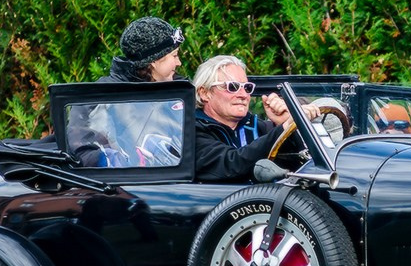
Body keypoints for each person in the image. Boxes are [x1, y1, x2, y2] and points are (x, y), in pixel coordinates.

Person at [69, 16, 184, 166]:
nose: (179, 62)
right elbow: (82, 149)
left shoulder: (179, 91)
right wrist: (109, 160)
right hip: (122, 180)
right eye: (174, 56)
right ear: (154, 61)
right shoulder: (98, 98)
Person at [193, 55, 319, 183]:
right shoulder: (192, 132)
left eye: (247, 88)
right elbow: (231, 163)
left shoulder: (259, 127)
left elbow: (299, 167)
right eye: (232, 87)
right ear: (205, 93)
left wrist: (285, 125)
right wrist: (284, 128)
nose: (243, 95)